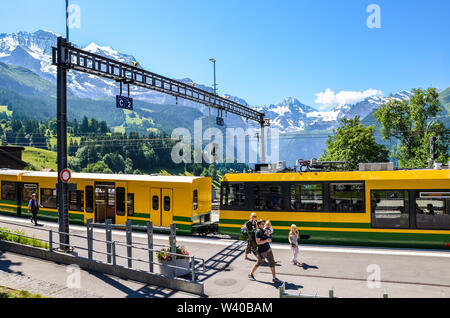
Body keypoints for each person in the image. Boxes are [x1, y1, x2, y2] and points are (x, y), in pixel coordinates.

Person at [248, 220, 282, 284]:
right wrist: (266, 240)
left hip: (268, 250)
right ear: (258, 225)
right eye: (262, 224)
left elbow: (269, 239)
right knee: (259, 263)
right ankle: (250, 274)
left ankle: (274, 278)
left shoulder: (265, 230)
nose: (264, 225)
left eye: (264, 224)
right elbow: (258, 242)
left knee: (272, 263)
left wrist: (269, 237)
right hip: (262, 251)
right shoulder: (257, 232)